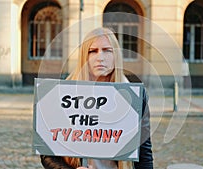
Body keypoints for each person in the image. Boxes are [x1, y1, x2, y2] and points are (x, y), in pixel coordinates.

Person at [40, 27, 153, 169]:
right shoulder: (63, 94)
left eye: (107, 50)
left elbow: (144, 154)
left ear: (116, 56)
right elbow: (47, 154)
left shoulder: (134, 96)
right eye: (93, 51)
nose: (100, 57)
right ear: (84, 56)